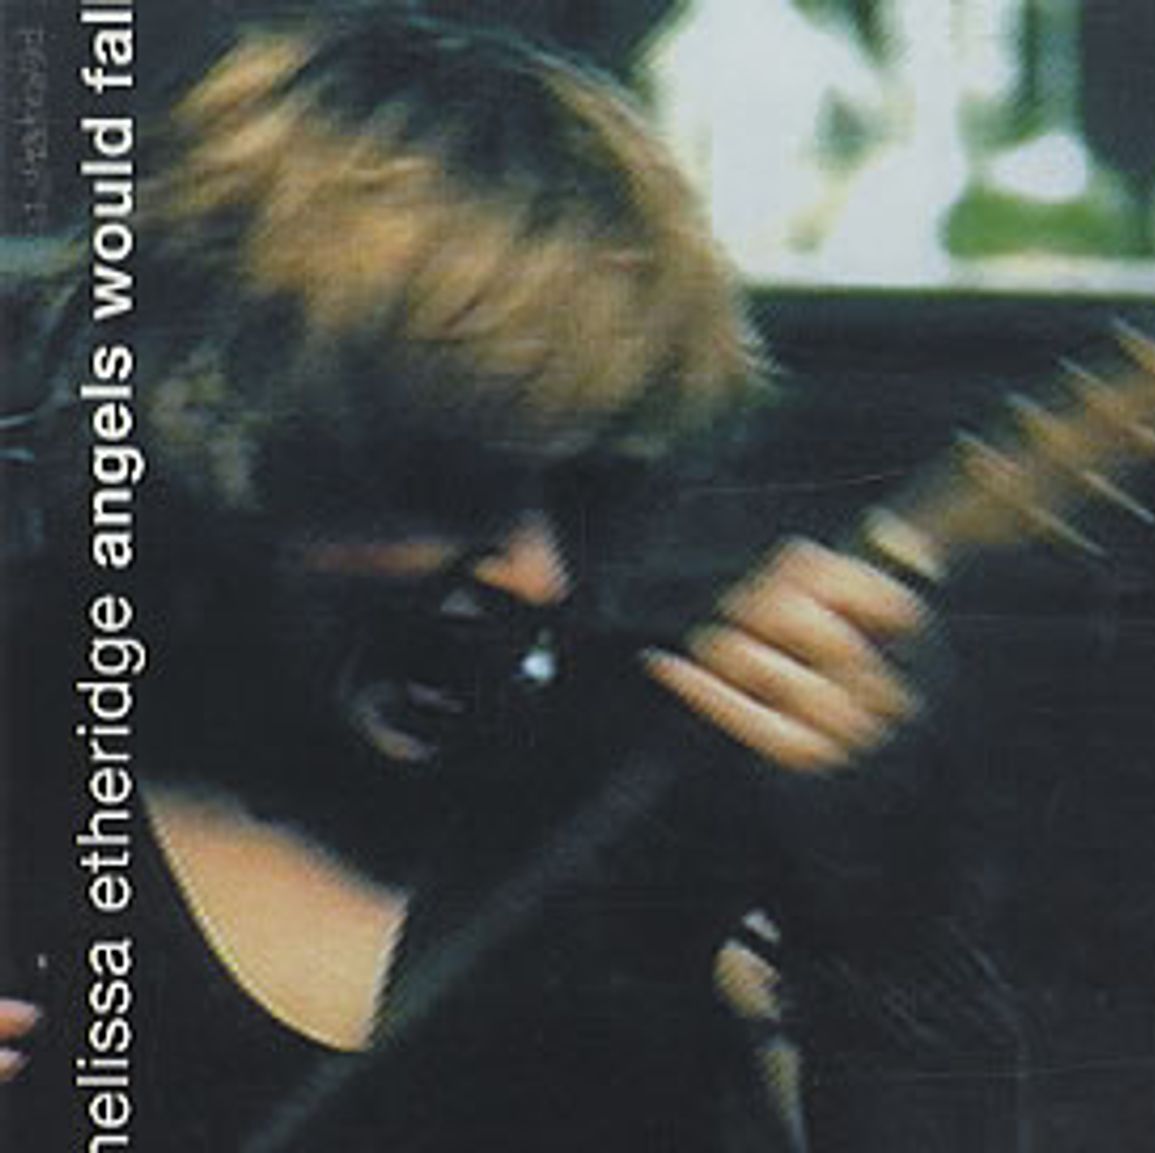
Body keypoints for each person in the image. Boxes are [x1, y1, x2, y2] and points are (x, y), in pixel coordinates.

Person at [4, 8, 928, 1150]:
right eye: (449, 481)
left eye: (589, 490)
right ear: (219, 437)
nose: (542, 577)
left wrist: (887, 907)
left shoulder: (667, 782)